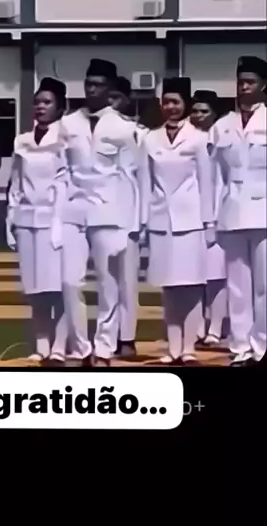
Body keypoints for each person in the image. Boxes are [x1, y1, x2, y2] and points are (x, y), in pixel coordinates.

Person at [61, 58, 137, 367]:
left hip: (109, 214)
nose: (91, 89)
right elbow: (61, 171)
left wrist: (130, 224)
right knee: (70, 282)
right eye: (88, 84)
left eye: (98, 85)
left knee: (108, 285)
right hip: (73, 212)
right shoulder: (68, 124)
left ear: (110, 89)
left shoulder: (124, 128)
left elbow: (131, 178)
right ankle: (80, 349)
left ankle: (104, 348)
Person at [139, 77, 215, 365]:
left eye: (176, 102)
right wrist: (143, 221)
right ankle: (172, 348)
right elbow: (144, 183)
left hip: (191, 221)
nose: (171, 107)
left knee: (192, 286)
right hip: (160, 221)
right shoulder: (150, 138)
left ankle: (188, 347)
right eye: (166, 102)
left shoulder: (199, 138)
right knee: (168, 286)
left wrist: (209, 223)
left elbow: (206, 183)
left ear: (186, 104)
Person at [6, 77, 68, 367]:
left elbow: (68, 182)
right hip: (27, 219)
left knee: (58, 287)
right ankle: (41, 344)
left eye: (47, 102)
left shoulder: (66, 139)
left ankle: (60, 346)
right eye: (37, 102)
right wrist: (11, 218)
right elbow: (16, 183)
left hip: (56, 219)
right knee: (35, 289)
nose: (41, 107)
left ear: (60, 107)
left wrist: (61, 222)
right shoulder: (23, 140)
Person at [209, 56, 267, 366]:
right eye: (241, 82)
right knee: (237, 286)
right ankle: (241, 347)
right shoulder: (222, 126)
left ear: (263, 86)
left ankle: (262, 346)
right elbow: (215, 176)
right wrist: (211, 218)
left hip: (264, 211)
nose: (244, 87)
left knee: (264, 285)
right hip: (232, 211)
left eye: (250, 82)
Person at [108, 76, 148, 358]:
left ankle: (127, 337)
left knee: (127, 280)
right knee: (104, 281)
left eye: (115, 98)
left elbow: (145, 178)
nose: (110, 103)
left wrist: (143, 219)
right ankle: (106, 336)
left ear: (125, 100)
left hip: (129, 216)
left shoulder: (139, 133)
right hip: (98, 215)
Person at [190, 89, 229, 349]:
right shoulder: (185, 138)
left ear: (214, 114)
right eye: (195, 110)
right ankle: (197, 327)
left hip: (218, 212)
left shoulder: (221, 139)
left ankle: (215, 327)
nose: (199, 115)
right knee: (194, 276)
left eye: (204, 111)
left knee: (216, 276)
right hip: (189, 214)